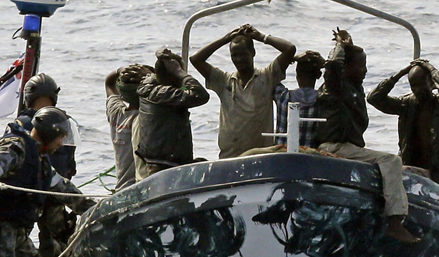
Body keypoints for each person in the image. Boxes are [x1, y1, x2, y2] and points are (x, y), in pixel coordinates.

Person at [315, 29, 419, 243]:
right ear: (347, 67)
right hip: (335, 146)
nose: (365, 70)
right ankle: (394, 222)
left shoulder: (353, 88)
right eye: (361, 65)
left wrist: (350, 45)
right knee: (391, 161)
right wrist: (341, 47)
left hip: (349, 147)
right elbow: (333, 66)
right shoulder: (335, 87)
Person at [0, 107, 94, 257]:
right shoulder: (15, 150)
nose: (61, 143)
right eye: (60, 137)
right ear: (49, 134)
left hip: (19, 233)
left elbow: (65, 191)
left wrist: (96, 210)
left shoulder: (40, 161)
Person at [190, 24, 296, 158]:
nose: (238, 59)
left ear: (253, 52)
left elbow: (289, 49)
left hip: (261, 157)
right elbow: (196, 59)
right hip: (229, 157)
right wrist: (226, 38)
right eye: (234, 55)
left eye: (243, 54)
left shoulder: (267, 77)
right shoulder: (224, 81)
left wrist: (261, 37)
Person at [367, 58, 439, 186]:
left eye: (421, 84)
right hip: (412, 167)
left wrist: (430, 68)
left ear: (432, 83)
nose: (418, 89)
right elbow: (373, 98)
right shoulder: (406, 104)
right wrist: (401, 73)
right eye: (413, 85)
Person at [135, 48, 210, 178]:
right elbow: (201, 95)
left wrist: (163, 57)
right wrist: (179, 72)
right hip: (165, 167)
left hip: (162, 163)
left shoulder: (147, 87)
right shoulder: (162, 94)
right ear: (172, 77)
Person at [15, 73, 77, 179]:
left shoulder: (21, 124)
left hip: (34, 187)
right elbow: (70, 163)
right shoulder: (65, 122)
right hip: (60, 188)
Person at [105, 64, 153, 190]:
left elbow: (109, 83)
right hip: (143, 187)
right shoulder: (150, 118)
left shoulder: (116, 114)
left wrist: (120, 70)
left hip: (122, 187)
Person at [273, 50, 325, 149]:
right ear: (318, 75)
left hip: (281, 154)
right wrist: (325, 64)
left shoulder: (283, 97)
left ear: (297, 74)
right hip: (310, 156)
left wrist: (291, 59)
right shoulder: (323, 99)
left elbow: (272, 75)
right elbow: (336, 80)